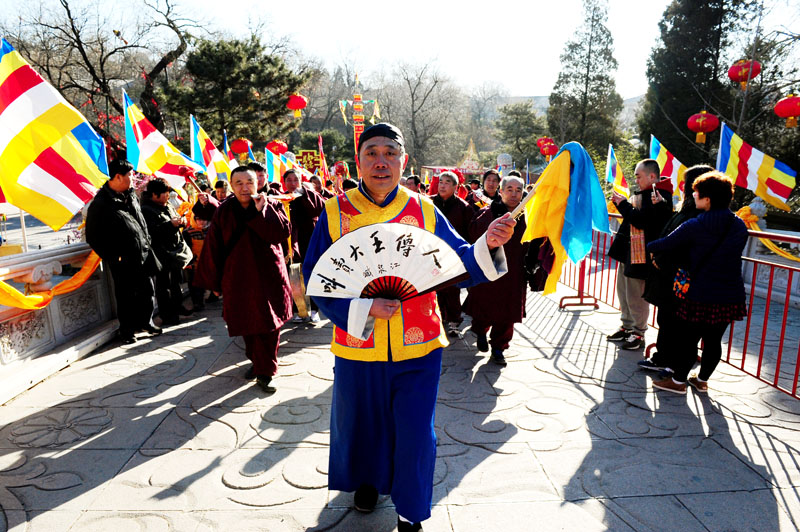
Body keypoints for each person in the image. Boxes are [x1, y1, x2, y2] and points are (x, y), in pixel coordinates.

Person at [302, 123, 515, 532]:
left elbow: (459, 264)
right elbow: (317, 278)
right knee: (362, 423)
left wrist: (488, 242)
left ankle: (410, 511)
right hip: (357, 344)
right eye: (372, 153)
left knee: (416, 431)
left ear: (403, 160)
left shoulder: (423, 210)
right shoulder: (335, 212)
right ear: (358, 161)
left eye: (390, 153)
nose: (381, 162)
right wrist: (362, 307)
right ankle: (367, 482)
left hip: (419, 345)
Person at [647, 172, 748, 394]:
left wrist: (649, 243)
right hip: (730, 294)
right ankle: (701, 380)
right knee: (714, 341)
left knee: (688, 339)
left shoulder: (695, 225)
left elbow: (661, 244)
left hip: (699, 293)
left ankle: (678, 382)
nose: (693, 195)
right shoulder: (739, 225)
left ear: (707, 199)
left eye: (697, 193)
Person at [194, 167, 293, 393]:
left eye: (249, 181)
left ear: (257, 183)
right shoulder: (225, 210)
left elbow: (280, 234)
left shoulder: (272, 204)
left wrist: (263, 211)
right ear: (231, 185)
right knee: (246, 322)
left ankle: (266, 371)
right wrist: (215, 282)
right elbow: (213, 247)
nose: (244, 187)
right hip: (237, 275)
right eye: (238, 183)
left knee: (269, 324)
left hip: (268, 274)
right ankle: (257, 361)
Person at [638, 164, 712, 374]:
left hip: (678, 275)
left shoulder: (698, 214)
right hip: (667, 272)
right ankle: (665, 358)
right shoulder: (689, 209)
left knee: (676, 322)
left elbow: (680, 243)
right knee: (667, 319)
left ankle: (672, 364)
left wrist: (660, 257)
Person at [85, 159, 161, 344]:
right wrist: (114, 256)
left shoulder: (131, 195)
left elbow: (139, 221)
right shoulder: (101, 203)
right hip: (123, 260)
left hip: (143, 252)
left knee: (148, 291)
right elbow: (93, 236)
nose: (133, 178)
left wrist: (146, 241)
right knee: (126, 295)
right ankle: (126, 330)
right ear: (118, 177)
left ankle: (146, 322)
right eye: (130, 175)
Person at [606, 159, 673, 350]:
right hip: (630, 251)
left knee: (636, 295)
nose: (636, 180)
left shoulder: (659, 195)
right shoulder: (647, 193)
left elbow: (642, 222)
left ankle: (638, 332)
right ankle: (627, 327)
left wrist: (622, 204)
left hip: (642, 255)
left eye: (638, 176)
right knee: (624, 291)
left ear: (652, 176)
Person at [463, 175, 528, 366]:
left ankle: (499, 347)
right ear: (501, 192)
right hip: (488, 268)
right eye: (510, 189)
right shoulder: (488, 212)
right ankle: (481, 331)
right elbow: (474, 233)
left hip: (514, 271)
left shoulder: (527, 215)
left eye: (518, 190)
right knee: (484, 304)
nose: (514, 194)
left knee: (507, 312)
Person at [141, 178, 194, 326]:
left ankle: (178, 307)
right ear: (154, 195)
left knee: (176, 282)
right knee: (164, 286)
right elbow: (151, 232)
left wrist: (180, 222)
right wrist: (170, 224)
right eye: (164, 193)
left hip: (174, 251)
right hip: (161, 254)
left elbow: (173, 219)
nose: (167, 196)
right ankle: (167, 314)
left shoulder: (167, 205)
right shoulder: (146, 210)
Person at [432, 171, 473, 335]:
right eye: (440, 181)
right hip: (431, 253)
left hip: (454, 254)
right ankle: (438, 320)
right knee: (435, 289)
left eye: (447, 182)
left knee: (452, 289)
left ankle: (454, 321)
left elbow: (470, 232)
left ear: (456, 187)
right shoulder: (429, 203)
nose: (442, 185)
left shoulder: (463, 207)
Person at [283, 169, 326, 322]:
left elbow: (319, 208)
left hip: (309, 240)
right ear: (285, 182)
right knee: (294, 276)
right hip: (291, 243)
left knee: (312, 274)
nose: (293, 183)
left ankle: (314, 309)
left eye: (296, 180)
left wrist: (304, 194)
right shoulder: (282, 198)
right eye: (289, 180)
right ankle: (298, 310)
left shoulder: (308, 194)